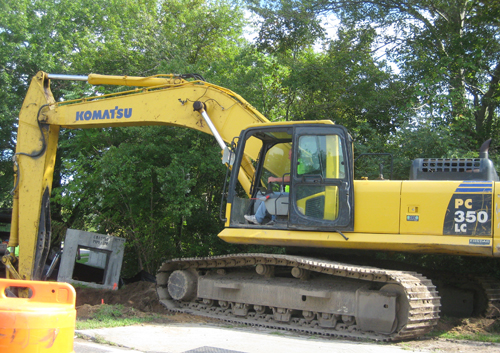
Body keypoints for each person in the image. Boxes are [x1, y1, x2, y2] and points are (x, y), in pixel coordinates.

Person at [244, 150, 291, 225]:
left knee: (269, 196)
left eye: (289, 155)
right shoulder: (298, 165)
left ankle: (257, 218)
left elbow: (291, 178)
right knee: (275, 197)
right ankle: (274, 220)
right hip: (296, 194)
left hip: (295, 196)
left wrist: (275, 179)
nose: (288, 157)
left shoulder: (298, 166)